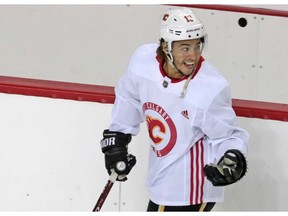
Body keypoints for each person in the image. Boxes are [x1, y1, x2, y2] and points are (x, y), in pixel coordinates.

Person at [100, 7, 249, 212]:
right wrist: (118, 135)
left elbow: (228, 136)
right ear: (166, 47)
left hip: (191, 187)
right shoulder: (143, 61)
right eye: (185, 48)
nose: (193, 56)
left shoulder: (210, 88)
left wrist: (233, 157)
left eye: (197, 46)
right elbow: (129, 96)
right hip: (161, 178)